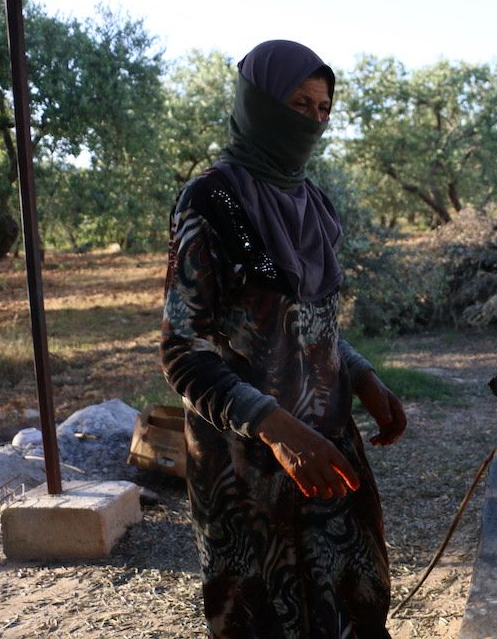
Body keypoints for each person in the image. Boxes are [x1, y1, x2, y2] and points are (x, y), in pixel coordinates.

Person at [160, 39, 406, 638]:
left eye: (323, 109)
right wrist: (276, 427)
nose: (313, 121)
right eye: (299, 104)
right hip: (247, 469)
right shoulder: (210, 203)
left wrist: (362, 374)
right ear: (258, 102)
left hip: (324, 451)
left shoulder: (311, 204)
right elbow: (182, 352)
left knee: (352, 606)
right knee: (264, 619)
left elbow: (310, 331)